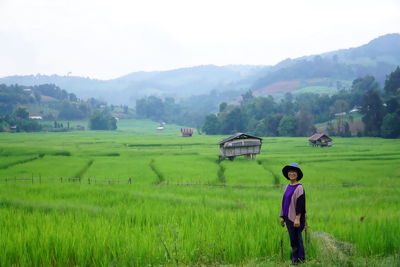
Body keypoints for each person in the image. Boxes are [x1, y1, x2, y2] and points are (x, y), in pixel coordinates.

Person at [279, 163, 306, 265]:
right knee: (293, 239)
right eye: (290, 172)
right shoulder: (287, 186)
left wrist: (297, 218)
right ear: (287, 174)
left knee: (296, 240)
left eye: (294, 172)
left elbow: (301, 205)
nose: (292, 173)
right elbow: (284, 202)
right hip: (287, 217)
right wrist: (282, 217)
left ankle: (299, 261)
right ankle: (297, 260)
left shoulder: (299, 187)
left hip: (295, 218)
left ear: (297, 174)